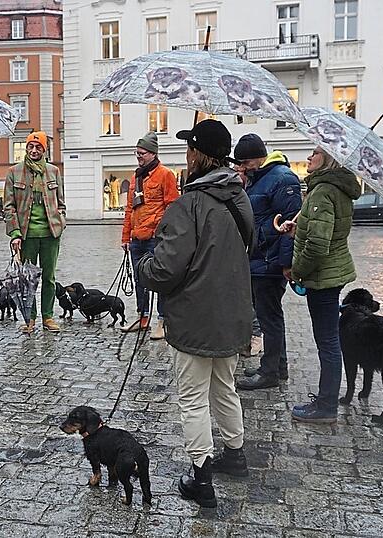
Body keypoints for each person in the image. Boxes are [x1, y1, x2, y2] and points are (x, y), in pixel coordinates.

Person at [136, 119, 254, 508]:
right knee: (224, 386)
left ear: (198, 155)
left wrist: (144, 265)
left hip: (196, 317)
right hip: (232, 312)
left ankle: (201, 478)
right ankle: (235, 454)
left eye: (189, 148)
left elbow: (166, 269)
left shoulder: (189, 204)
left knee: (192, 397)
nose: (185, 154)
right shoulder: (239, 197)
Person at [280, 147, 361, 423]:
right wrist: (298, 230)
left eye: (315, 152)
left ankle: (326, 405)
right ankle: (327, 401)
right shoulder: (334, 189)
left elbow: (317, 245)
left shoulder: (323, 192)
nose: (309, 157)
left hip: (323, 277)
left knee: (327, 342)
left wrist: (297, 271)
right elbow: (323, 231)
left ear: (327, 159)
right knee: (330, 341)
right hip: (332, 273)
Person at [232, 134, 302, 390]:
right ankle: (276, 366)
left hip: (269, 260)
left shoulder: (282, 179)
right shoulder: (260, 177)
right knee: (268, 315)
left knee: (269, 317)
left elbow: (292, 224)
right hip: (260, 257)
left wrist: (286, 263)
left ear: (258, 158)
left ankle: (270, 371)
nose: (242, 168)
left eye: (245, 163)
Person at [4, 131, 66, 334]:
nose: (33, 150)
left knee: (49, 277)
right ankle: (29, 318)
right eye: (30, 146)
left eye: (38, 147)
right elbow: (9, 207)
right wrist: (15, 233)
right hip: (26, 235)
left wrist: (61, 221)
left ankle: (48, 316)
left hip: (50, 234)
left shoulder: (53, 171)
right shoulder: (14, 172)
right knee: (27, 280)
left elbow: (61, 202)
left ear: (44, 150)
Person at [120, 132, 178, 339]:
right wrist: (126, 237)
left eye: (142, 153)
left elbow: (172, 207)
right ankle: (143, 318)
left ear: (153, 153)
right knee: (139, 280)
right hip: (137, 238)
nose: (139, 157)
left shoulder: (166, 175)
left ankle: (162, 321)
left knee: (160, 280)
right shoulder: (136, 177)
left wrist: (161, 231)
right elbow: (130, 209)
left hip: (156, 239)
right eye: (137, 153)